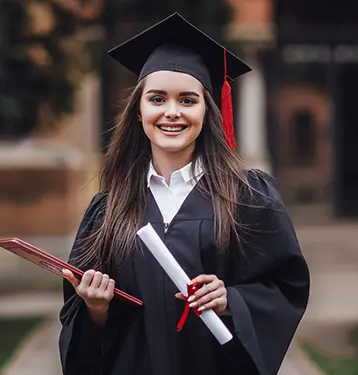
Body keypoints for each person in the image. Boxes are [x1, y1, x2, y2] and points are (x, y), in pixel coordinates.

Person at [58, 12, 310, 375]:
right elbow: (79, 324)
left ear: (208, 110)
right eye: (157, 99)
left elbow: (284, 288)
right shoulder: (109, 208)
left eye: (188, 100)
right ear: (139, 110)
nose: (171, 112)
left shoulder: (246, 197)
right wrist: (95, 308)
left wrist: (231, 300)